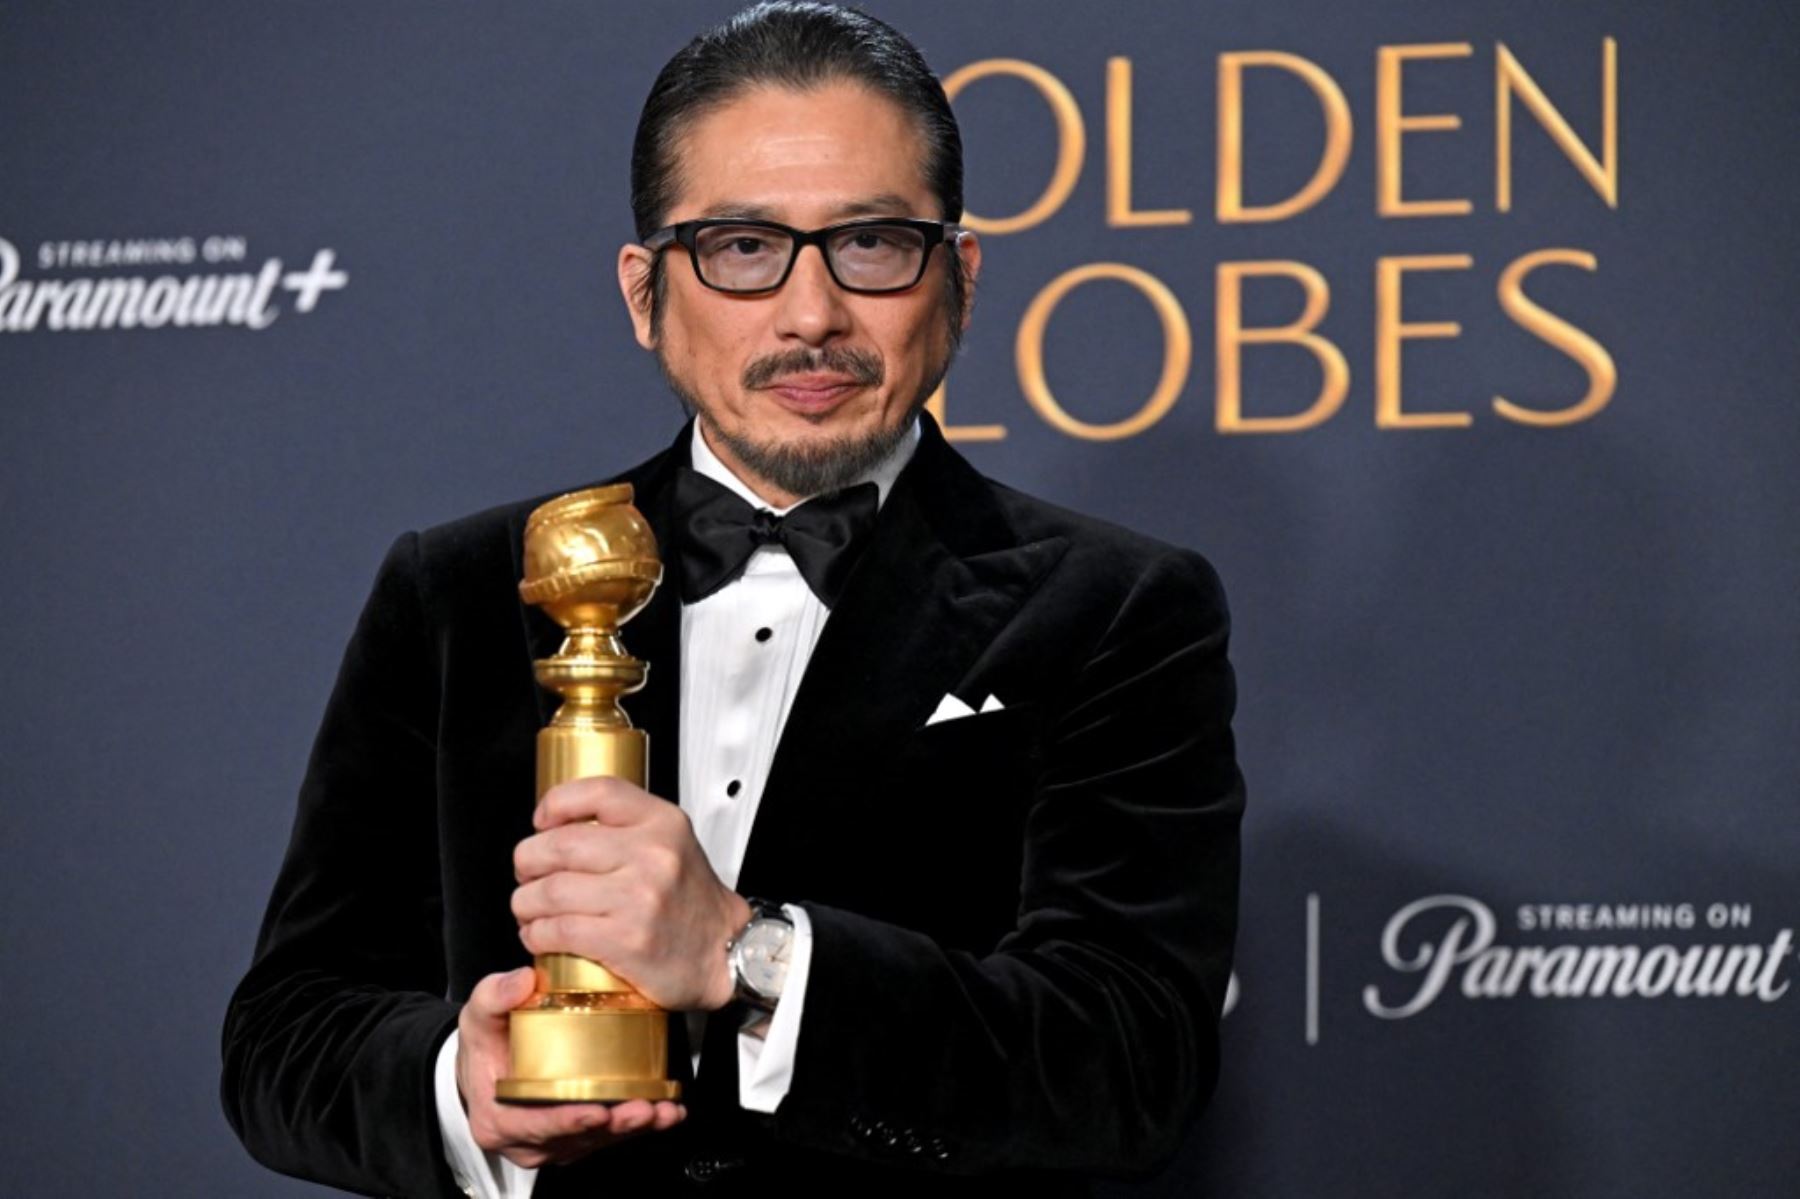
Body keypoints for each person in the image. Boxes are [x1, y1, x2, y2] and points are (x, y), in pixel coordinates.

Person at [221, 4, 1244, 1196]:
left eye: (871, 243)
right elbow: (283, 1036)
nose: (811, 316)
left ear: (957, 282)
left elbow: (1130, 1061)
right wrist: (465, 1090)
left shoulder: (1118, 609)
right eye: (743, 247)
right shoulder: (457, 593)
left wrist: (745, 952)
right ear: (645, 290)